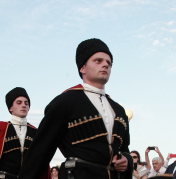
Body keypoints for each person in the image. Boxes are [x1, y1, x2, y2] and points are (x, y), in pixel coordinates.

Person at [18, 38, 133, 179]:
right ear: (82, 68)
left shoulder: (119, 110)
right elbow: (40, 152)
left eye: (108, 63)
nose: (105, 65)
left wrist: (127, 160)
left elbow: (124, 148)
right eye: (98, 61)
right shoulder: (65, 102)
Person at [0, 87, 51, 179]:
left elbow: (42, 162)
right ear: (10, 107)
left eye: (26, 103)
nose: (23, 105)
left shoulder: (36, 132)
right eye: (19, 103)